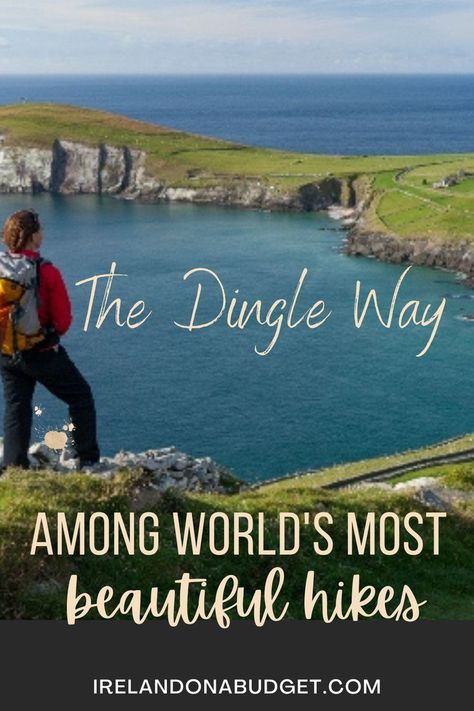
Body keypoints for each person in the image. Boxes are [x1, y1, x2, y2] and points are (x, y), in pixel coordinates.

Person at [0, 209, 100, 469]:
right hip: (41, 351)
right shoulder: (46, 271)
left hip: (7, 351)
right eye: (40, 230)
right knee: (80, 396)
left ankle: (13, 467)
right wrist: (47, 337)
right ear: (33, 237)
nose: (43, 234)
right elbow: (63, 320)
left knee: (16, 408)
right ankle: (86, 459)